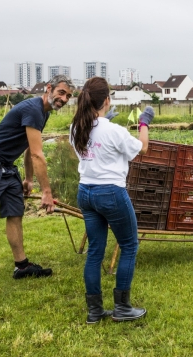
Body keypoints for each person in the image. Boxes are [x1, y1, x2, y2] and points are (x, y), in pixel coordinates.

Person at [0, 75, 75, 303]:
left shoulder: (44, 112)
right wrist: (47, 193)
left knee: (15, 213)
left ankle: (21, 266)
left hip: (7, 166)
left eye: (69, 96)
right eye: (61, 93)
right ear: (49, 88)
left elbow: (28, 147)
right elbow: (37, 154)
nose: (64, 99)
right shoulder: (33, 109)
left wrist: (29, 179)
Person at [70, 77, 154, 324]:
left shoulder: (76, 127)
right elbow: (143, 148)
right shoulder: (114, 131)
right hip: (110, 193)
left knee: (95, 250)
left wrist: (105, 121)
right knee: (129, 245)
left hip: (85, 191)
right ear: (107, 100)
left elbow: (93, 143)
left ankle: (94, 311)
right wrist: (144, 123)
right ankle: (122, 308)